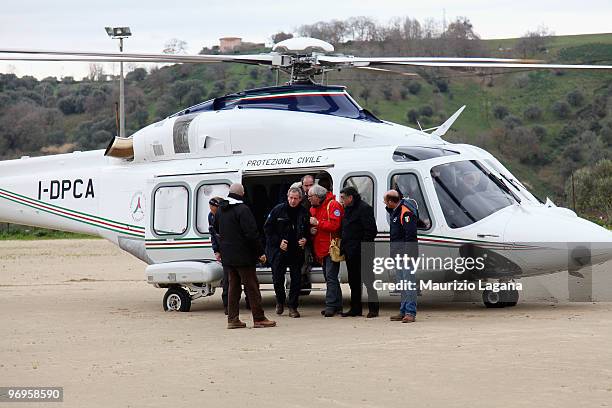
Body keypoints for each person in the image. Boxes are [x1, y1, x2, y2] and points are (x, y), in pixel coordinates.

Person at [215, 183, 276, 329]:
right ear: (242, 194)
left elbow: (217, 229)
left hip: (228, 256)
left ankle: (233, 319)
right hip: (243, 256)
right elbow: (251, 234)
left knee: (233, 287)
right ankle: (259, 318)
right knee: (252, 287)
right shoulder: (243, 209)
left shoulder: (220, 210)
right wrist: (260, 252)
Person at [264, 187, 309, 318]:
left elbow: (308, 230)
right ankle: (280, 301)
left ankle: (293, 307)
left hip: (296, 251)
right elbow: (267, 229)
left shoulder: (303, 212)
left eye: (295, 198)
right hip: (279, 250)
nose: (293, 201)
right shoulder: (278, 210)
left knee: (296, 279)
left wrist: (305, 239)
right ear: (287, 197)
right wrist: (279, 242)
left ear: (300, 199)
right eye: (290, 198)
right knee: (277, 278)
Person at [339, 186, 379, 318]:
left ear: (350, 198)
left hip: (364, 251)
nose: (341, 200)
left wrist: (361, 247)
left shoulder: (364, 208)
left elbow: (371, 230)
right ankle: (355, 308)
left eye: (343, 198)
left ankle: (374, 308)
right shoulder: (347, 210)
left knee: (368, 280)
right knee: (353, 281)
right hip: (350, 252)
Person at [308, 184, 344, 317]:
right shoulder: (313, 208)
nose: (309, 199)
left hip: (331, 248)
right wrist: (311, 230)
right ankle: (337, 305)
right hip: (321, 249)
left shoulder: (333, 205)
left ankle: (330, 306)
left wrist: (318, 223)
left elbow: (335, 225)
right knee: (330, 278)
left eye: (310, 196)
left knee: (330, 277)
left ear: (318, 196)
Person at [384, 190, 419, 323]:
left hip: (405, 254)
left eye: (385, 201)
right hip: (399, 253)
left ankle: (410, 312)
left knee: (408, 283)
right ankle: (404, 310)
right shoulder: (396, 211)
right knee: (402, 283)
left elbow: (410, 234)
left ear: (391, 201)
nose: (384, 203)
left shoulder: (405, 212)